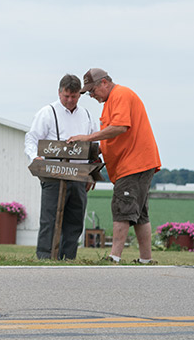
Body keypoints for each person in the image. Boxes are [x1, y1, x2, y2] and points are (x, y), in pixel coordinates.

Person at [67, 68, 161, 264]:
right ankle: (146, 260)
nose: (91, 95)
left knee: (122, 208)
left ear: (104, 83)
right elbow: (113, 137)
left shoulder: (120, 95)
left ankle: (114, 257)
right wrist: (96, 152)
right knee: (140, 214)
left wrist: (87, 138)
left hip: (133, 163)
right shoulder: (111, 101)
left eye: (92, 90)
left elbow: (120, 127)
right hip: (138, 163)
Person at [24, 73, 98, 260]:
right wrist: (35, 157)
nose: (70, 100)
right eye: (66, 96)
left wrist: (92, 171)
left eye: (74, 96)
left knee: (74, 220)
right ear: (59, 93)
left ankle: (68, 258)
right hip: (53, 175)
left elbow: (94, 145)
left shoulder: (86, 115)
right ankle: (45, 256)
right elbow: (31, 139)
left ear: (79, 95)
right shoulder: (47, 112)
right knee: (50, 219)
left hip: (79, 176)